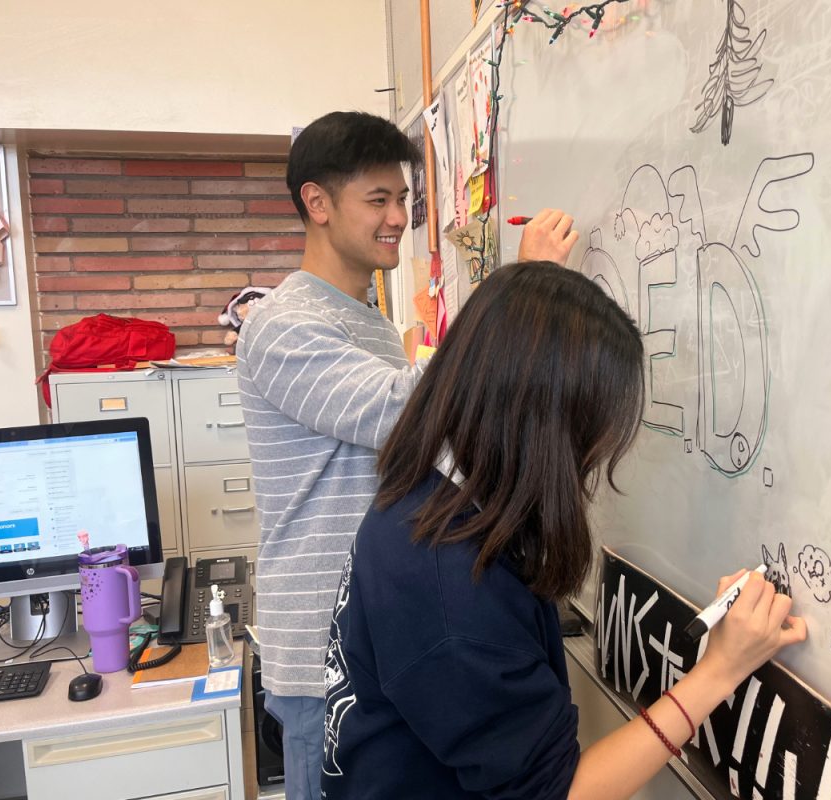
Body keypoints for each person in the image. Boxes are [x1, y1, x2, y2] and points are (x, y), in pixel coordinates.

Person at [320, 262, 808, 799]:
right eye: (593, 432)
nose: (595, 456)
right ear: (546, 426)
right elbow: (562, 794)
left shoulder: (430, 490)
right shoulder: (450, 593)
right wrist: (719, 671)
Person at [236, 111, 578, 800]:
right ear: (317, 203)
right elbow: (413, 410)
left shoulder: (368, 321)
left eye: (403, 200)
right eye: (379, 200)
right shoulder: (283, 324)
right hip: (322, 659)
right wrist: (523, 291)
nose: (399, 217)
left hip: (390, 634)